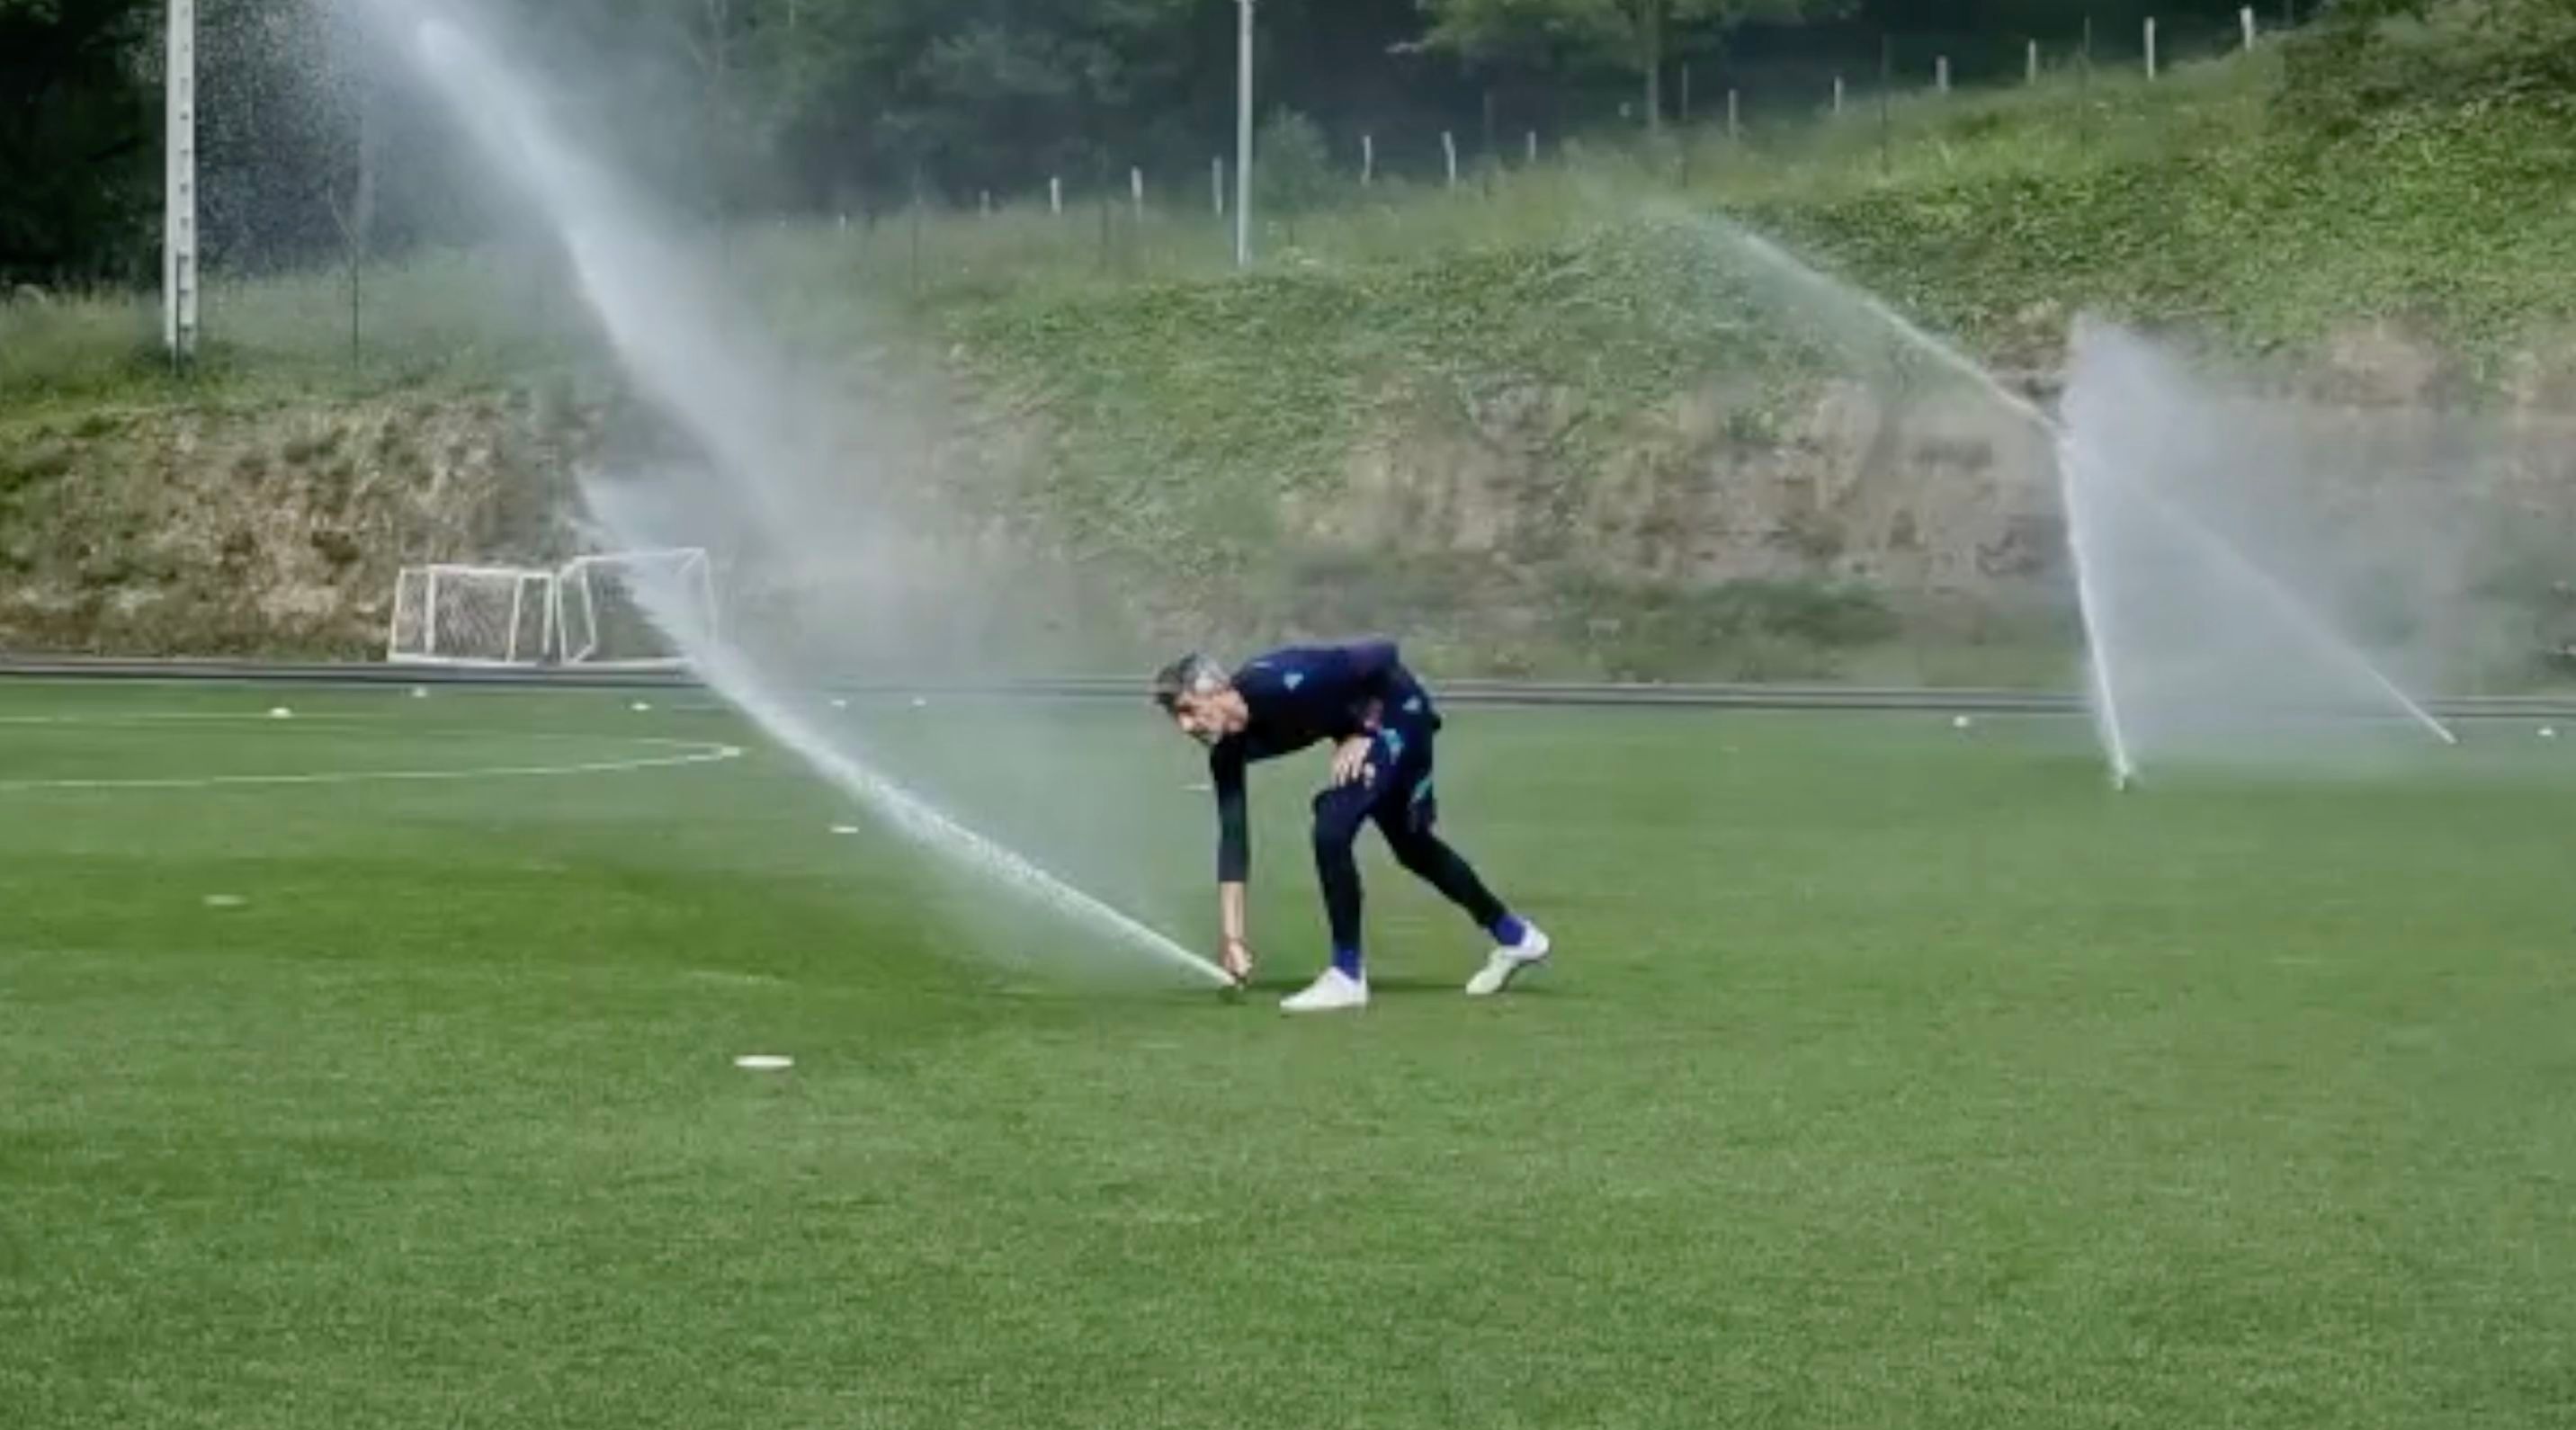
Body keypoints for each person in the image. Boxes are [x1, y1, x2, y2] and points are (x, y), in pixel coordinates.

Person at [1152, 640, 1552, 1012]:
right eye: (1177, 718)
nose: (1186, 727)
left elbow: (1383, 652)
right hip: (1370, 727)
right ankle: (1517, 938)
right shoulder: (1227, 750)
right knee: (1413, 848)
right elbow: (1234, 840)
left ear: (1215, 689)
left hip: (1398, 713)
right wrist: (1233, 938)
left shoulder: (1283, 682)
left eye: (1188, 710)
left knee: (1332, 825)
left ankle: (1347, 975)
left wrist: (1364, 731)